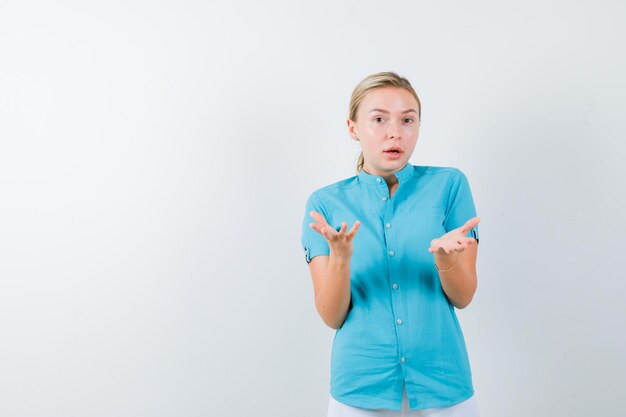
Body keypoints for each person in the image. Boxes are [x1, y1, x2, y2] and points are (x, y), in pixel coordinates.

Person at [300, 72, 481, 417]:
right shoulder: (324, 204)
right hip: (360, 389)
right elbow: (331, 315)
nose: (395, 132)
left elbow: (464, 296)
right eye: (379, 119)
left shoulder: (449, 186)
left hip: (443, 383)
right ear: (353, 128)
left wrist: (445, 259)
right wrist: (340, 258)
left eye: (407, 120)